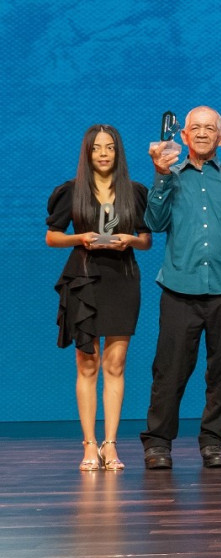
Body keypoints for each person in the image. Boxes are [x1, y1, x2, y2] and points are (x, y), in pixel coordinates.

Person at [140, 106, 221, 469]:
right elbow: (154, 222)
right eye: (196, 127)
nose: (203, 133)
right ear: (184, 135)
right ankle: (158, 443)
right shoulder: (170, 176)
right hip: (180, 289)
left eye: (211, 128)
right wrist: (160, 176)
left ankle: (213, 441)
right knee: (169, 372)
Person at [46, 124, 152, 471]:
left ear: (118, 152)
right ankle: (89, 444)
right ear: (87, 153)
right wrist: (82, 239)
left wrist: (129, 240)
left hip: (122, 280)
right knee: (88, 364)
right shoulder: (71, 191)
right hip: (85, 279)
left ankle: (111, 445)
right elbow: (52, 236)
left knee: (116, 364)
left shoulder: (135, 192)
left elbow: (146, 239)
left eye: (109, 147)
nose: (103, 153)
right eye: (96, 148)